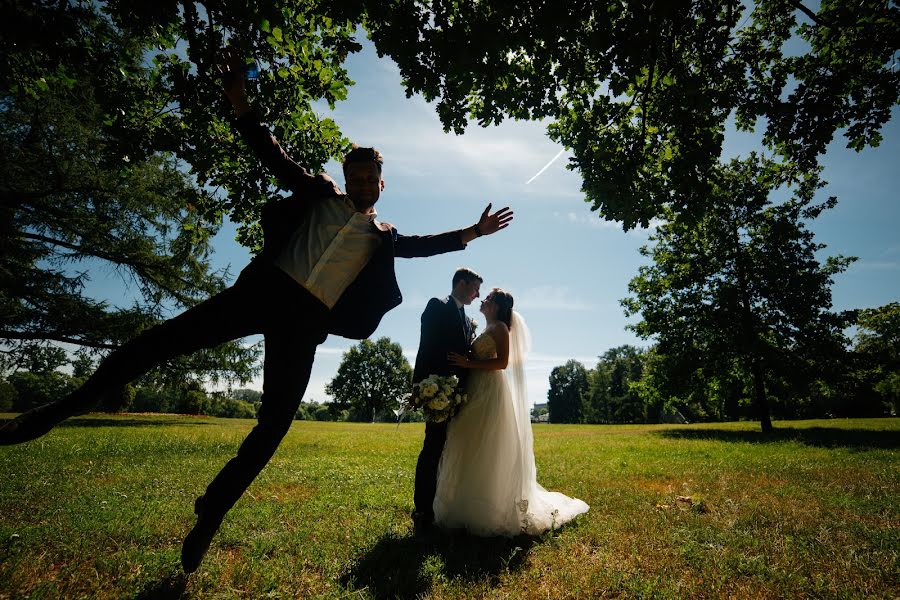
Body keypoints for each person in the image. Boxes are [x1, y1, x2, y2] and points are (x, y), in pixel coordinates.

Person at [0, 49, 514, 572]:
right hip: (261, 293)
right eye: (354, 177)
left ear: (382, 185)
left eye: (370, 179)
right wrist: (241, 101)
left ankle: (211, 512)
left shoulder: (382, 236)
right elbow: (271, 155)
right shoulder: (317, 194)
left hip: (306, 322)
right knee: (154, 345)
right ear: (346, 177)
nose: (361, 184)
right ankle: (51, 414)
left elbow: (424, 244)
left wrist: (473, 232)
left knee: (273, 426)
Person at [435, 289, 589, 536]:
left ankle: (489, 507)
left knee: (487, 443)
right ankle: (464, 502)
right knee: (469, 441)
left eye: (487, 298)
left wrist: (469, 363)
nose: (482, 300)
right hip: (475, 388)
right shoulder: (487, 327)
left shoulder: (500, 329)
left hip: (489, 390)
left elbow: (502, 363)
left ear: (495, 305)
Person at [411, 267, 482, 535]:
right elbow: (425, 346)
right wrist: (419, 387)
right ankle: (422, 512)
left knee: (449, 450)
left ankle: (443, 506)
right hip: (437, 391)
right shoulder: (437, 306)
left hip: (460, 394)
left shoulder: (466, 317)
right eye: (475, 288)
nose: (478, 295)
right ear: (462, 283)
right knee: (432, 449)